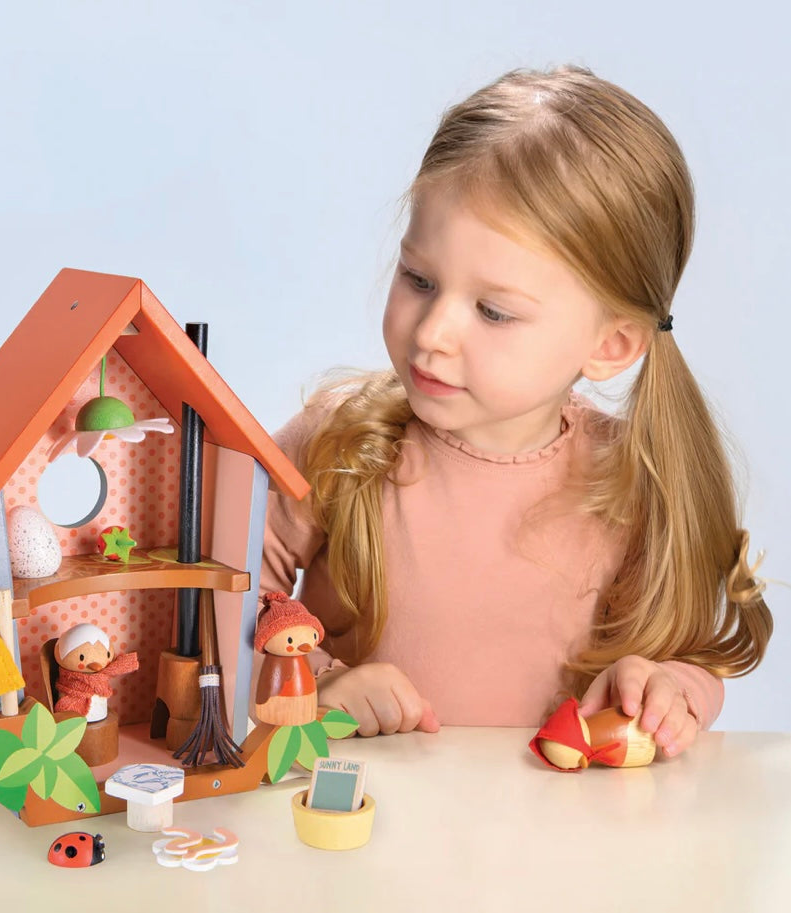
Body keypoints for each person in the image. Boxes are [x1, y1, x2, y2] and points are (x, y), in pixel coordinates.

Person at [260, 65, 772, 758]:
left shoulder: (630, 484)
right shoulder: (340, 441)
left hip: (552, 843)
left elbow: (690, 661)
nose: (432, 331)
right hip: (356, 821)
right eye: (418, 278)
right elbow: (217, 597)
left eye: (493, 310)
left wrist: (662, 689)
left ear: (609, 343)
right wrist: (320, 683)